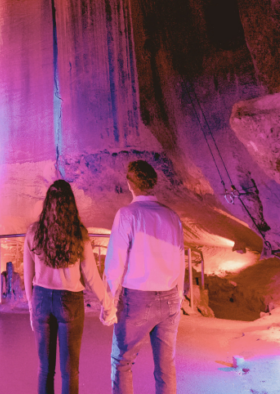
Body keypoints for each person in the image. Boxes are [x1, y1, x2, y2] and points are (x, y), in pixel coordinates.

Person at [102, 160, 185, 394]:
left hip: (136, 299)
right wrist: (178, 296)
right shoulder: (172, 216)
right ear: (153, 183)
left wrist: (109, 301)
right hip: (169, 299)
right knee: (166, 367)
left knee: (123, 362)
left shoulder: (128, 214)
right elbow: (180, 258)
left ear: (130, 184)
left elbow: (115, 262)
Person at [24, 179, 106, 394]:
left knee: (45, 369)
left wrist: (32, 307)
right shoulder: (79, 234)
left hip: (41, 298)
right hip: (69, 299)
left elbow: (27, 275)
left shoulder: (34, 232)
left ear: (47, 202)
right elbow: (91, 275)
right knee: (70, 371)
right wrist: (108, 303)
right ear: (71, 203)